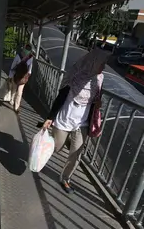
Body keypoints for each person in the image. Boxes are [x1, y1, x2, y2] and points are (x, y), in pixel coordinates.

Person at [42, 48, 111, 194]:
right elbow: (60, 97)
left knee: (76, 155)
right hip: (65, 119)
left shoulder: (100, 78)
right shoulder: (75, 74)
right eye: (102, 63)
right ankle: (40, 151)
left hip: (82, 123)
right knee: (56, 147)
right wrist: (50, 117)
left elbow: (96, 100)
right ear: (94, 62)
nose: (103, 67)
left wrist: (98, 104)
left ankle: (65, 179)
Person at [7, 44, 33, 113]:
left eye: (28, 49)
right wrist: (10, 76)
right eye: (26, 49)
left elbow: (30, 68)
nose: (27, 50)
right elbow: (13, 66)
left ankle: (16, 107)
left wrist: (28, 75)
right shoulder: (18, 56)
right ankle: (12, 99)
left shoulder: (30, 58)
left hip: (23, 77)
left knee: (19, 92)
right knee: (14, 89)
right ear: (24, 49)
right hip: (17, 75)